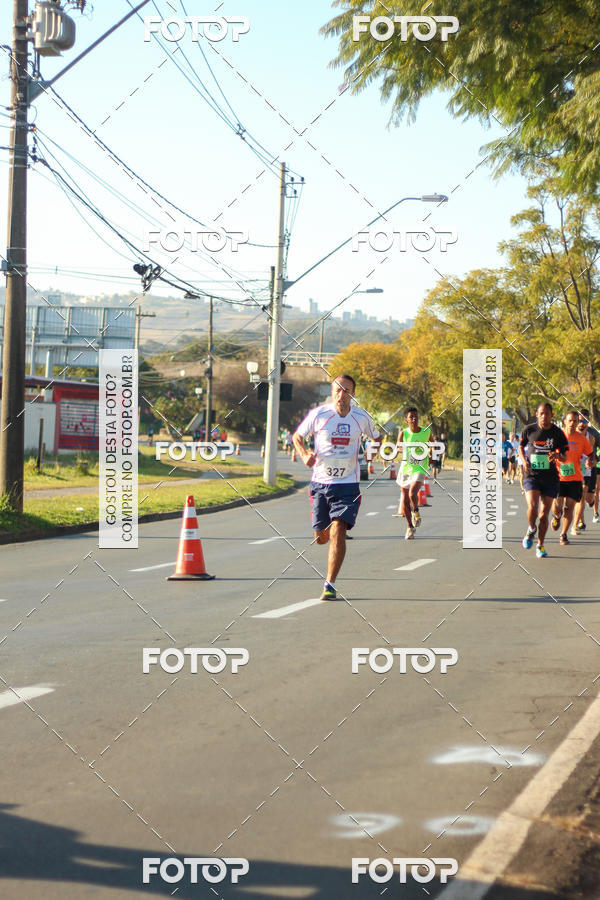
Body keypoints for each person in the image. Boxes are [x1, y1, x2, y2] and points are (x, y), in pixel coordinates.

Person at [293, 374, 382, 601]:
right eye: (338, 390)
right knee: (321, 537)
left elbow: (377, 438)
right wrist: (304, 455)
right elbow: (297, 437)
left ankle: (329, 584)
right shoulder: (319, 414)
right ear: (332, 392)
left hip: (348, 484)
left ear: (353, 394)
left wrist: (371, 453)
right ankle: (321, 528)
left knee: (339, 529)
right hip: (321, 482)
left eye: (346, 390)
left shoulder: (361, 417)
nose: (341, 395)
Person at [519, 402, 568, 558]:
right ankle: (531, 529)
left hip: (550, 478)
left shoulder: (558, 433)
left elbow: (565, 457)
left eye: (547, 413)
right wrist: (524, 460)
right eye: (541, 413)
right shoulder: (529, 430)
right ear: (537, 414)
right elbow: (520, 447)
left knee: (543, 515)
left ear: (552, 415)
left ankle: (540, 545)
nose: (544, 416)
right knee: (533, 507)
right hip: (532, 475)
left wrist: (557, 456)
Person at [550, 411, 594, 545]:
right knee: (558, 506)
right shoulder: (556, 437)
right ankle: (556, 516)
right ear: (565, 422)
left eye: (575, 421)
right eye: (570, 420)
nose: (572, 423)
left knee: (569, 507)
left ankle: (563, 534)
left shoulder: (582, 439)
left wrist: (591, 461)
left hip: (575, 478)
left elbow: (591, 454)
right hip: (558, 477)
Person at [396, 406, 430, 540]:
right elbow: (398, 447)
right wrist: (404, 449)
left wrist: (431, 452)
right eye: (411, 417)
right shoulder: (403, 433)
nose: (414, 419)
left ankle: (416, 511)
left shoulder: (426, 431)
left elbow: (434, 444)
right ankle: (410, 527)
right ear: (406, 420)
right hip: (406, 467)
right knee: (405, 499)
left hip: (420, 466)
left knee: (412, 493)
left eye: (416, 416)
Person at [572, 409, 599, 534]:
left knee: (587, 498)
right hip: (574, 468)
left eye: (585, 421)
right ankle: (578, 523)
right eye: (580, 420)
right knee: (579, 497)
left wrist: (594, 460)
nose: (582, 423)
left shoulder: (594, 435)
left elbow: (596, 454)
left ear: (589, 421)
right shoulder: (570, 433)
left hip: (589, 468)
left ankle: (591, 501)